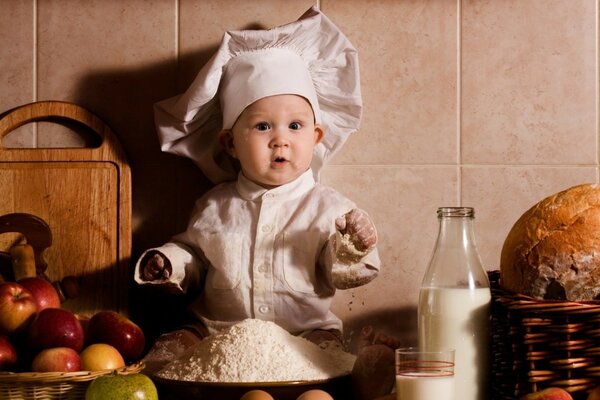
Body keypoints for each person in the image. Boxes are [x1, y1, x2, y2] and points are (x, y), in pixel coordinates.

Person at [135, 6, 394, 399]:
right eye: (261, 126)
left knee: (330, 360)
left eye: (295, 126)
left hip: (304, 338)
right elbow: (194, 257)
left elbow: (341, 271)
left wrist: (353, 247)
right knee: (170, 351)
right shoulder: (213, 207)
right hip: (219, 337)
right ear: (230, 144)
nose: (280, 139)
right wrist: (169, 263)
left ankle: (368, 374)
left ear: (317, 135)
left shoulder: (328, 208)